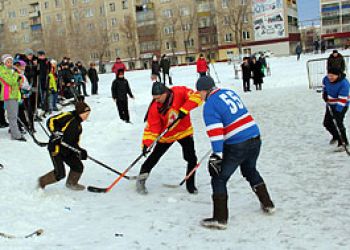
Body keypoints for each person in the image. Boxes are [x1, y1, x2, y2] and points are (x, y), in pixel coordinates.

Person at [195, 76, 275, 230]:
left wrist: (217, 155)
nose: (199, 96)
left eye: (199, 93)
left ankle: (220, 219)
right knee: (250, 170)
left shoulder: (210, 105)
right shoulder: (228, 92)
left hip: (238, 143)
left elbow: (216, 131)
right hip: (255, 137)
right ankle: (268, 204)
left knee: (218, 178)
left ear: (205, 91)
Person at [136, 82, 202, 195]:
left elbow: (198, 96)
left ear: (165, 93)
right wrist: (147, 144)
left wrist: (185, 109)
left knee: (191, 158)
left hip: (184, 131)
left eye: (158, 98)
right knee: (154, 157)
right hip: (167, 135)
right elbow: (152, 128)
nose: (156, 100)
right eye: (154, 98)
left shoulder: (179, 91)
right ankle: (141, 179)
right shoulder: (154, 107)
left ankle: (190, 184)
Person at [38, 101, 91, 191]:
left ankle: (71, 183)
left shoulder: (78, 126)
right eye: (86, 114)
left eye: (88, 114)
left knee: (78, 166)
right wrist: (56, 133)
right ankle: (42, 182)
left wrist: (80, 151)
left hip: (67, 149)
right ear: (80, 112)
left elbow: (74, 142)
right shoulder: (68, 116)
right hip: (56, 148)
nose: (87, 116)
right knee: (60, 174)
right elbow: (51, 121)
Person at [322, 67, 349, 150]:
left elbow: (342, 99)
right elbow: (325, 88)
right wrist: (325, 94)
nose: (330, 77)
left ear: (338, 75)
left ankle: (344, 142)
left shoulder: (344, 83)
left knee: (338, 122)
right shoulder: (325, 79)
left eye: (332, 76)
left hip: (342, 104)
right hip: (330, 104)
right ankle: (336, 136)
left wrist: (338, 111)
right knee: (327, 123)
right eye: (329, 75)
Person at [0, 54, 26, 141]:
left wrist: (19, 78)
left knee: (13, 115)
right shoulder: (2, 71)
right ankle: (16, 135)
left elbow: (18, 82)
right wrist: (16, 75)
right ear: (4, 62)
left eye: (11, 61)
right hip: (8, 95)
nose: (10, 63)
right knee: (13, 116)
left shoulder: (11, 71)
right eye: (7, 61)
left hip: (14, 94)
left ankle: (15, 133)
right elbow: (10, 82)